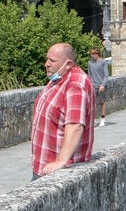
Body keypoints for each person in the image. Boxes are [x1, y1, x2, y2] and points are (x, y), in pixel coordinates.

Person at [32, 42, 96, 178]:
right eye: (47, 59)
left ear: (68, 64)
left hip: (58, 171)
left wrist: (61, 161)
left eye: (52, 60)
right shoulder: (58, 78)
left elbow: (75, 125)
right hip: (44, 165)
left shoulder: (75, 84)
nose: (46, 64)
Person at [86, 45, 109, 128]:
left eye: (93, 54)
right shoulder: (90, 62)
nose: (92, 55)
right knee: (92, 103)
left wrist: (103, 85)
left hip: (102, 85)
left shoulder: (103, 62)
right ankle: (92, 120)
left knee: (102, 102)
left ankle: (102, 119)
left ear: (97, 53)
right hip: (93, 85)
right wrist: (90, 84)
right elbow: (89, 75)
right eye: (91, 54)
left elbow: (106, 75)